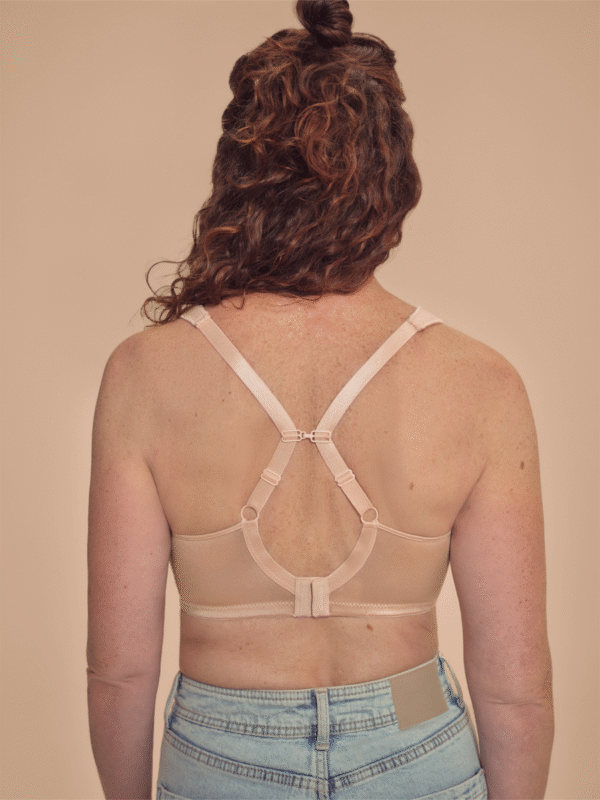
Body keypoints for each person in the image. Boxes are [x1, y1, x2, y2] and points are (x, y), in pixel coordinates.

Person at [86, 1, 554, 798]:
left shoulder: (145, 374)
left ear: (240, 176)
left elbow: (120, 673)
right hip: (412, 729)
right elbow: (516, 689)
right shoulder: (482, 381)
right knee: (432, 698)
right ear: (393, 181)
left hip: (221, 743)